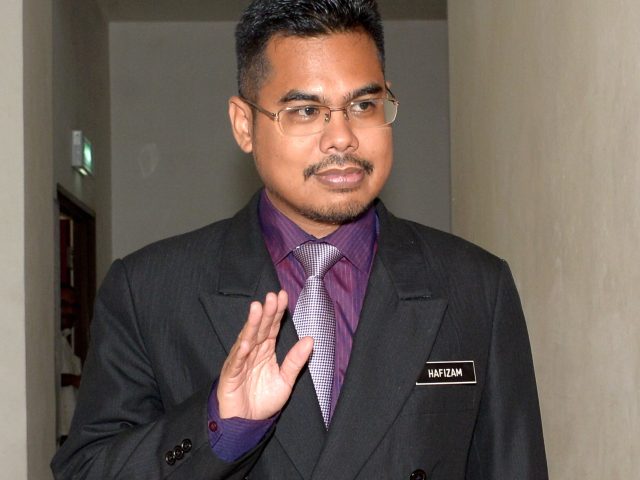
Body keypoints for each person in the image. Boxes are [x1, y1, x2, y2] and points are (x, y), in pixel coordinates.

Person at [51, 0, 548, 478]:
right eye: (306, 111)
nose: (342, 137)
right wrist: (219, 426)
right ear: (244, 125)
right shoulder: (150, 291)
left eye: (364, 104)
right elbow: (88, 469)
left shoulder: (475, 287)